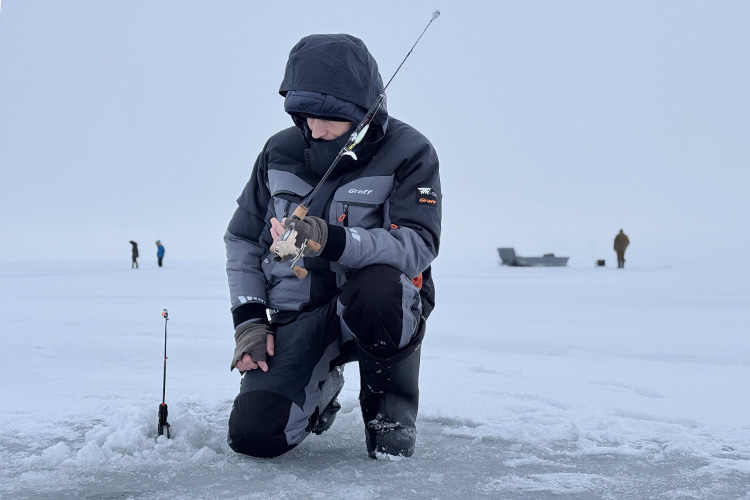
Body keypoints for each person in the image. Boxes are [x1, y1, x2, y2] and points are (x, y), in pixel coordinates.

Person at [224, 34, 441, 460]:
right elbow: (243, 239)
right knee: (254, 435)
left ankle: (388, 410)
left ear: (363, 111)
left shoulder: (410, 151)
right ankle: (321, 387)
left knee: (378, 293)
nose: (316, 128)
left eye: (331, 117)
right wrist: (249, 320)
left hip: (376, 305)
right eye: (304, 113)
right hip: (298, 313)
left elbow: (418, 244)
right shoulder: (278, 152)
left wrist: (331, 239)